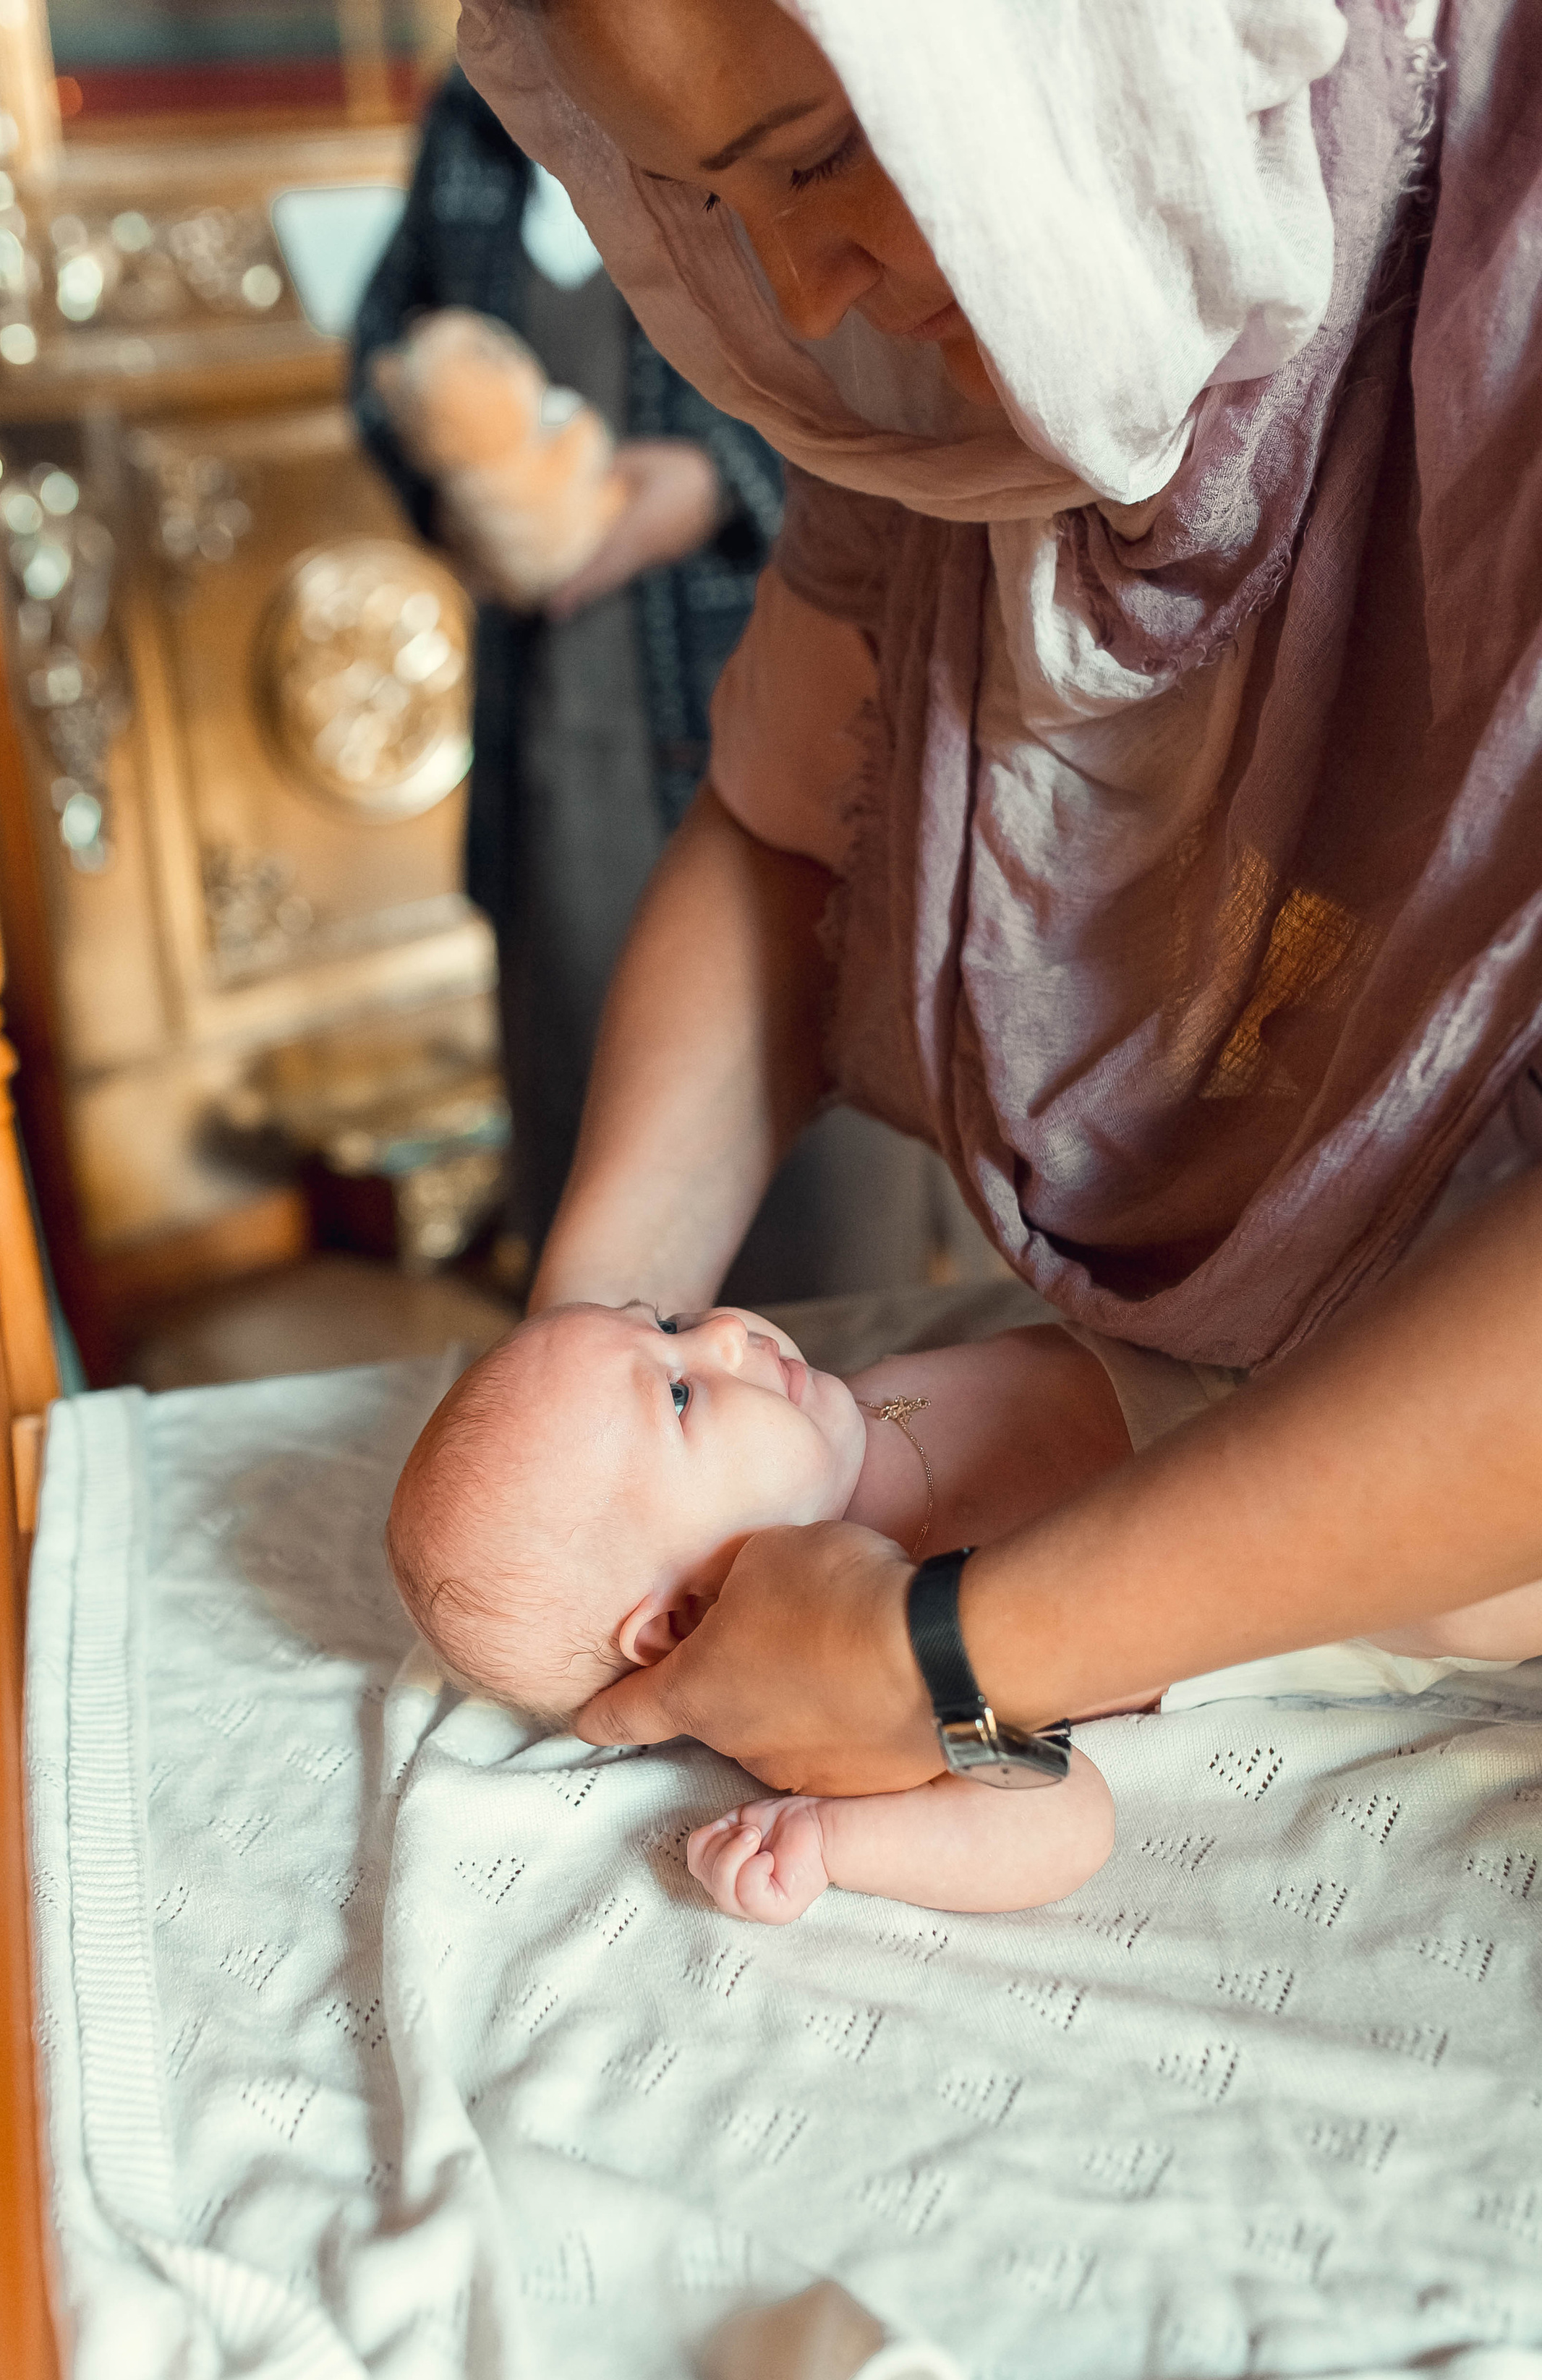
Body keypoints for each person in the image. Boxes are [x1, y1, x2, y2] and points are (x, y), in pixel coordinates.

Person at [443, 0, 1542, 1793]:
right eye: (721, 200)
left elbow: (1019, 1783)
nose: (803, 292)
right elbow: (784, 832)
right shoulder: (944, 392)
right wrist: (585, 1405)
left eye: (815, 154)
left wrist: (950, 1660)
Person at [351, 61, 935, 1298]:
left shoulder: (765, 99)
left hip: (751, 688)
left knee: (821, 1156)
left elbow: (886, 380)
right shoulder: (472, 129)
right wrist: (465, 505)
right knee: (583, 1088)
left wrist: (718, 485)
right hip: (556, 733)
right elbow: (382, 355)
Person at [386, 1298, 1542, 1918]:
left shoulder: (842, 1416)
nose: (729, 1331)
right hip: (1387, 1569)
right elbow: (1059, 1821)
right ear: (686, 1623)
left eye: (668, 1320)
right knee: (1482, 1605)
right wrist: (842, 1840)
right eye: (683, 1391)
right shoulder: (821, 1703)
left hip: (1350, 1351)